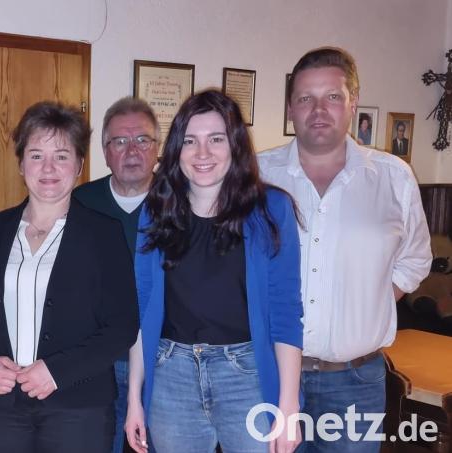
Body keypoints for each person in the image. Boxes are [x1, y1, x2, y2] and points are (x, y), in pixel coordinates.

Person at [258, 47, 432, 452]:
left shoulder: (393, 178)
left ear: (353, 102)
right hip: (266, 374)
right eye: (305, 98)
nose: (318, 109)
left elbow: (415, 259)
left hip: (356, 381)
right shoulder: (256, 175)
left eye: (332, 96)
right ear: (290, 108)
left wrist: (371, 301)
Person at [125, 90, 304, 453]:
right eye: (190, 141)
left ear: (235, 146)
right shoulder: (156, 211)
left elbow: (286, 313)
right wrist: (134, 399)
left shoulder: (271, 209)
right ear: (177, 150)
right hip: (172, 375)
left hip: (247, 376)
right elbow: (141, 312)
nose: (202, 153)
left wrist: (288, 405)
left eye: (216, 139)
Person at [0, 101, 139, 453]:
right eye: (37, 155)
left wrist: (57, 371)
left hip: (79, 408)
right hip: (3, 406)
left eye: (62, 155)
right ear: (21, 164)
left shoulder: (104, 234)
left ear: (80, 165)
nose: (49, 168)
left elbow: (121, 327)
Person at [72, 96, 158, 453]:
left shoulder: (181, 203)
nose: (132, 150)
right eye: (120, 141)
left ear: (158, 149)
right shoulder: (80, 202)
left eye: (142, 140)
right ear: (105, 152)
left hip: (160, 364)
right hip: (97, 364)